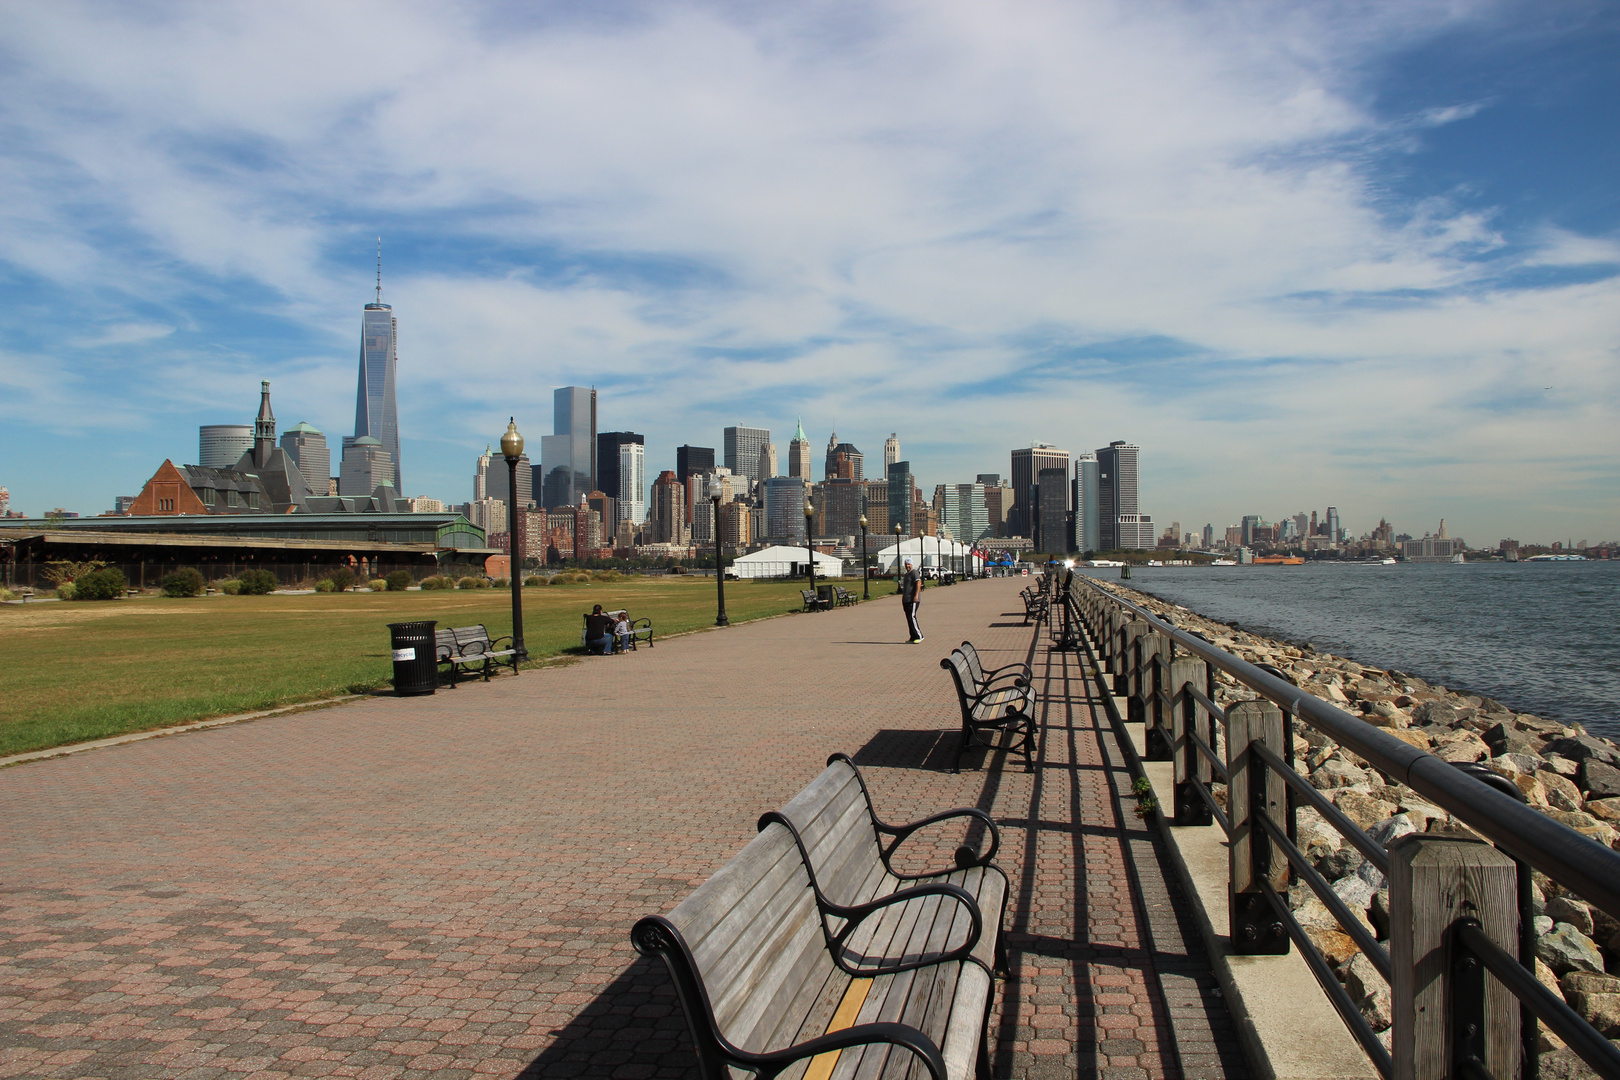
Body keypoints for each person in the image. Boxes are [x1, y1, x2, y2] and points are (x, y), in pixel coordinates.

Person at [900, 559, 923, 644]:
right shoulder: (906, 575)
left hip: (913, 599)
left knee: (912, 616)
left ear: (912, 565)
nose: (907, 566)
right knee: (909, 618)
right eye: (906, 565)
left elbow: (918, 583)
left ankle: (919, 635)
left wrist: (916, 595)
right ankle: (913, 637)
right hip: (906, 600)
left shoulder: (914, 572)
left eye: (909, 564)